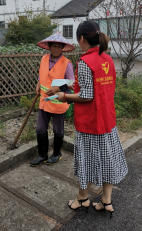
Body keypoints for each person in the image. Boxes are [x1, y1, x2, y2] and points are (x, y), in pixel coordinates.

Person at [55, 21, 128, 218]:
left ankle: (82, 199)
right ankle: (106, 201)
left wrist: (65, 97)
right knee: (107, 160)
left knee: (86, 161)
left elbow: (87, 95)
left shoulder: (85, 62)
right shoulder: (108, 59)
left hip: (90, 123)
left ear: (81, 39)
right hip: (107, 121)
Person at [30, 32, 75, 167]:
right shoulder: (44, 59)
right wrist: (38, 84)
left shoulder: (67, 63)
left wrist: (57, 89)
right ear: (49, 47)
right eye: (53, 46)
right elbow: (41, 75)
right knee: (40, 129)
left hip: (57, 101)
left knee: (58, 130)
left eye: (59, 47)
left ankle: (56, 154)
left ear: (62, 48)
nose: (56, 49)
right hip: (44, 100)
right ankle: (42, 155)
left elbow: (72, 82)